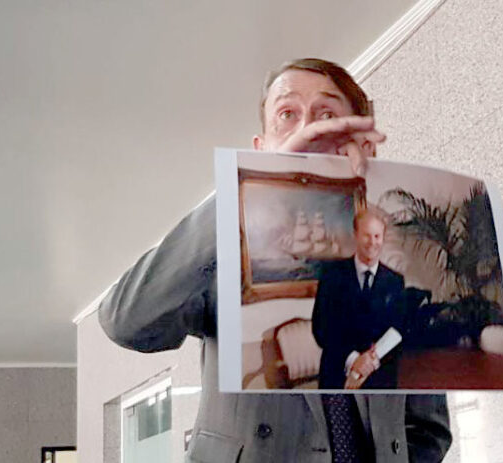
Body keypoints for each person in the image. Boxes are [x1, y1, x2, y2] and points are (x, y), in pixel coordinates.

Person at [99, 58, 451, 462]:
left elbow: (427, 428)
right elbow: (124, 321)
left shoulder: (394, 267)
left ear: (362, 144)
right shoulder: (222, 250)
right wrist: (247, 189)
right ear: (260, 148)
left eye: (326, 115)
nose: (307, 130)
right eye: (288, 115)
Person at [313, 210, 405, 390]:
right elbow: (321, 328)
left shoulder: (395, 281)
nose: (372, 242)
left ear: (383, 238)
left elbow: (398, 330)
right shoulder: (331, 275)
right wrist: (354, 360)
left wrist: (368, 364)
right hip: (337, 376)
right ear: (355, 236)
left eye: (377, 236)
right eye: (366, 235)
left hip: (379, 380)